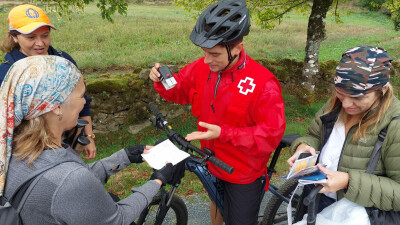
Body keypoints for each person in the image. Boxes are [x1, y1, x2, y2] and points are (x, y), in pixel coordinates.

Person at [149, 0, 286, 224]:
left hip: (242, 173)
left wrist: (224, 133)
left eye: (214, 54)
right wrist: (161, 79)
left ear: (237, 48)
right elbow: (179, 90)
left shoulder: (263, 84)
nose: (206, 59)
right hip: (211, 161)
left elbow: (270, 135)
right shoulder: (203, 67)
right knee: (216, 209)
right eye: (204, 52)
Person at [0, 55, 174, 224]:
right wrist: (158, 180)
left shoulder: (12, 149)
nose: (84, 103)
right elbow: (118, 218)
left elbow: (71, 188)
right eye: (81, 95)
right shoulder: (69, 177)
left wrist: (125, 156)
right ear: (57, 107)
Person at [287, 45, 400, 214]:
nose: (346, 104)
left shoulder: (395, 124)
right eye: (340, 92)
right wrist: (303, 146)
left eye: (357, 97)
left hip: (356, 214)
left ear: (381, 91)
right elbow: (315, 136)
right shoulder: (336, 105)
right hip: (316, 200)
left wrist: (348, 181)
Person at [0, 4, 97, 160]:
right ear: (14, 37)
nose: (40, 43)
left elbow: (82, 99)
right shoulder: (8, 74)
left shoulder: (63, 61)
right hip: (30, 153)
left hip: (67, 142)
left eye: (45, 35)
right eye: (31, 37)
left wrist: (89, 136)